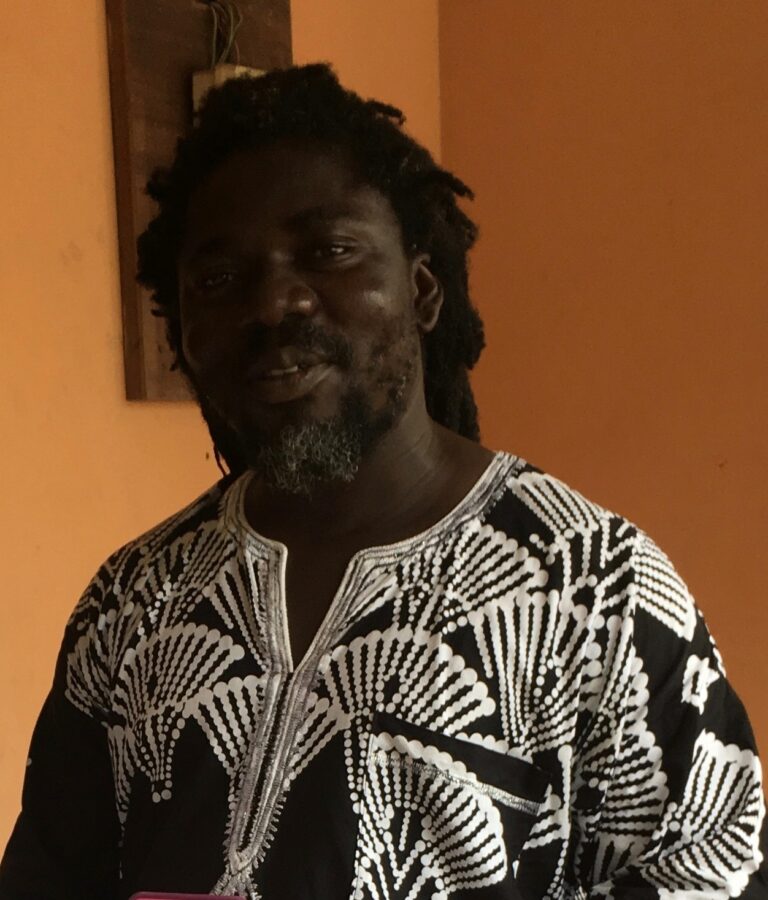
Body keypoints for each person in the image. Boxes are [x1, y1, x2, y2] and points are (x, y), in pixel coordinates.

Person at [0, 63, 765, 900]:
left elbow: (712, 871)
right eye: (219, 280)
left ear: (423, 289)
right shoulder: (132, 602)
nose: (275, 304)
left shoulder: (598, 587)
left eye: (327, 251)